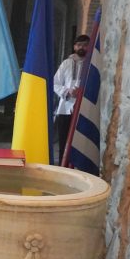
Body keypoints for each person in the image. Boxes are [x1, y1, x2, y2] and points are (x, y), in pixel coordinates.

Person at [53, 34, 90, 165]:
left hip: (85, 109)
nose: (82, 48)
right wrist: (68, 91)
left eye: (85, 45)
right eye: (79, 45)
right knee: (64, 141)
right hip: (66, 108)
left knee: (82, 143)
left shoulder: (92, 65)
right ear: (74, 47)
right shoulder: (66, 63)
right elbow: (55, 83)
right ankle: (62, 169)